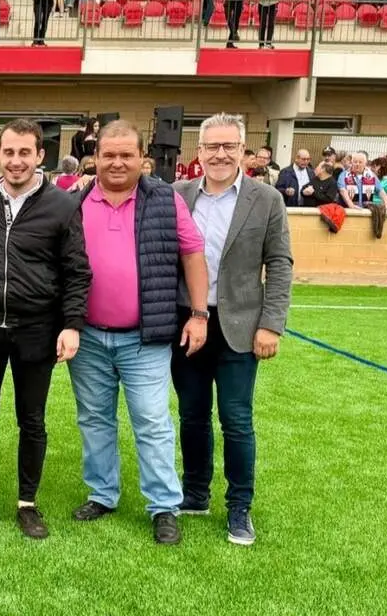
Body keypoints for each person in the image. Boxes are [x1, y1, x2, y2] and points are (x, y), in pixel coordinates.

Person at [68, 120, 209, 545]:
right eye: (108, 155)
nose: (117, 162)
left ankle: (163, 505)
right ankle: (102, 493)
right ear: (95, 158)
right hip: (88, 337)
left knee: (151, 420)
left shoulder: (165, 199)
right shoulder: (74, 201)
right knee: (94, 419)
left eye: (126, 154)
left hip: (145, 337)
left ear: (142, 158)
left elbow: (193, 254)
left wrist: (199, 314)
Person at [0, 119, 90, 537]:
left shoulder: (63, 205)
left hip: (36, 329)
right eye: (9, 152)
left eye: (25, 153)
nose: (16, 161)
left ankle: (27, 504)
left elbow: (77, 271)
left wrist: (72, 325)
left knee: (31, 420)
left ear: (40, 156)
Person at [173, 113, 293, 546]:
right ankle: (195, 493)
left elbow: (279, 263)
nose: (220, 154)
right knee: (192, 415)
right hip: (188, 323)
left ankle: (239, 506)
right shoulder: (179, 195)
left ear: (243, 151)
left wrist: (271, 325)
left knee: (236, 419)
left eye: (229, 146)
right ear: (199, 152)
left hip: (240, 327)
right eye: (212, 146)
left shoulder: (267, 199)